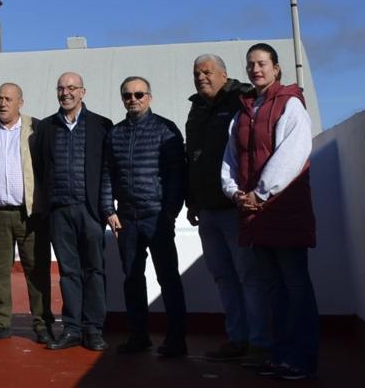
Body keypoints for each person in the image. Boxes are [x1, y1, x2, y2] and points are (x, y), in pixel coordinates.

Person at [221, 43, 318, 381]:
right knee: (273, 288)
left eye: (262, 63)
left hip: (283, 210)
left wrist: (260, 194)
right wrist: (235, 192)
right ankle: (280, 354)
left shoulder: (290, 104)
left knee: (295, 286)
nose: (255, 69)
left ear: (276, 68)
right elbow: (230, 159)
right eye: (250, 64)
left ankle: (301, 358)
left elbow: (293, 153)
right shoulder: (243, 111)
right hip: (255, 213)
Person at [185, 54, 268, 362]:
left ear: (224, 74)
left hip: (235, 208)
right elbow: (192, 156)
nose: (201, 77)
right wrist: (191, 199)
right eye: (197, 73)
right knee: (223, 276)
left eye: (207, 72)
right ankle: (237, 338)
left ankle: (260, 342)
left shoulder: (241, 99)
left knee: (250, 276)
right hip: (207, 209)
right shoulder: (196, 108)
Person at [104, 77, 188, 358]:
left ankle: (177, 339)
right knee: (132, 278)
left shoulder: (166, 129)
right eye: (127, 95)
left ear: (149, 97)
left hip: (157, 216)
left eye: (139, 94)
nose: (133, 99)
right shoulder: (115, 134)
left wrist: (170, 212)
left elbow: (178, 175)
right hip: (127, 218)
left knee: (168, 278)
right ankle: (138, 335)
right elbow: (107, 174)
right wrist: (109, 209)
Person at [35, 71, 113, 352]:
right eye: (61, 88)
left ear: (83, 92)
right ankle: (72, 328)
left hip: (90, 211)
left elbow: (107, 171)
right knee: (68, 272)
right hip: (59, 211)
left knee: (94, 270)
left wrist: (106, 208)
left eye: (71, 88)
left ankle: (93, 329)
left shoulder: (101, 125)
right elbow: (40, 170)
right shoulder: (45, 128)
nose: (65, 93)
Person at [0, 82, 55, 345]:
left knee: (37, 269)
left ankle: (43, 323)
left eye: (9, 99)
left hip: (30, 214)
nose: (3, 103)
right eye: (0, 98)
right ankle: (0, 323)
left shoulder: (37, 128)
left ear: (20, 102)